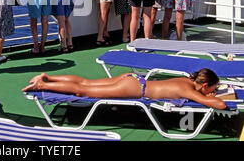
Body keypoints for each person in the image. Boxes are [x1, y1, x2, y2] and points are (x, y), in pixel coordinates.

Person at [22, 68, 227, 110]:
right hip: (134, 88)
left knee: (85, 82)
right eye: (212, 89)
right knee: (82, 91)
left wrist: (209, 91)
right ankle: (43, 85)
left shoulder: (185, 80)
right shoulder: (189, 91)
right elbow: (217, 104)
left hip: (133, 78)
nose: (212, 92)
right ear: (205, 85)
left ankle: (48, 77)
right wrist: (215, 96)